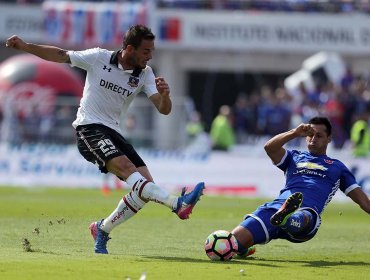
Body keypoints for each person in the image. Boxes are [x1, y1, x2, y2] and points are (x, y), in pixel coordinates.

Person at [6, 25, 205, 254]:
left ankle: (102, 228)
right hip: (88, 128)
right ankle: (177, 204)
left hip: (114, 132)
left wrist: (166, 96)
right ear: (129, 48)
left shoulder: (145, 74)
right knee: (130, 171)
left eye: (152, 50)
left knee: (144, 188)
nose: (150, 56)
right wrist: (25, 46)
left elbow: (163, 109)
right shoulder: (98, 57)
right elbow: (60, 55)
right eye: (146, 51)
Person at [230, 116, 370, 258]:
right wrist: (294, 133)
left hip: (307, 216)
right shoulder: (294, 157)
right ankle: (244, 248)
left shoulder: (337, 167)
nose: (313, 139)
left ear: (329, 139)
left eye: (319, 135)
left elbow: (365, 202)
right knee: (231, 243)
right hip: (274, 209)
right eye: (310, 135)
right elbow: (269, 148)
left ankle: (288, 218)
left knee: (303, 215)